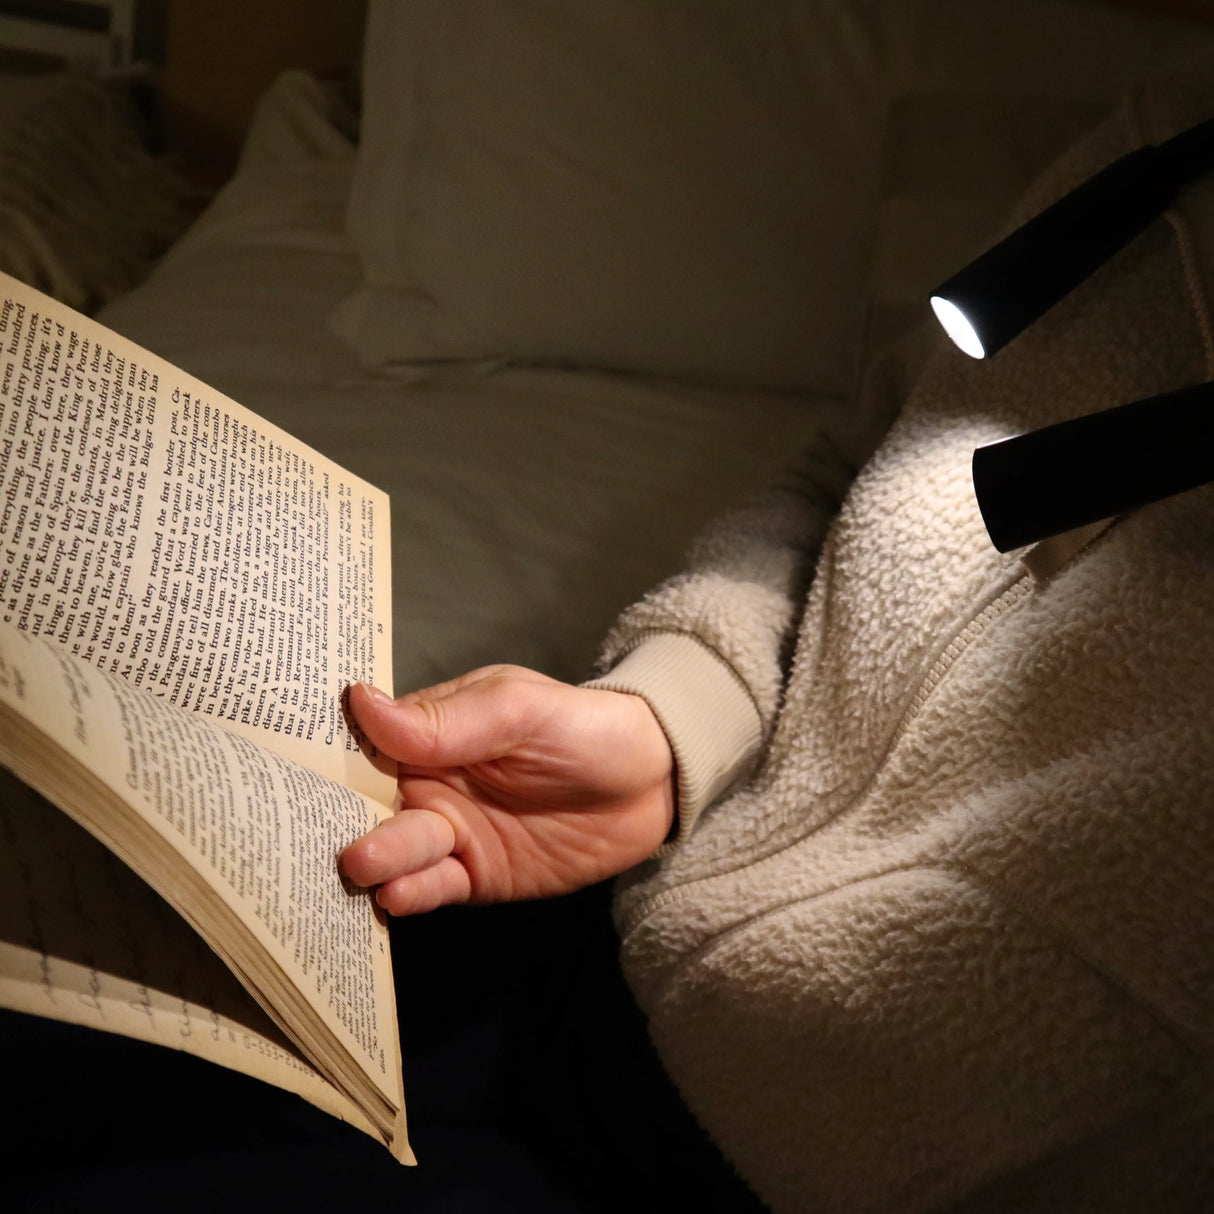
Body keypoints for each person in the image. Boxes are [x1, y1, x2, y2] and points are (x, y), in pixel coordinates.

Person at [339, 74, 1214, 1214]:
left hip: (791, 1166)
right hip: (599, 905)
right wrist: (668, 718)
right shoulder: (1161, 155)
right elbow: (848, 467)